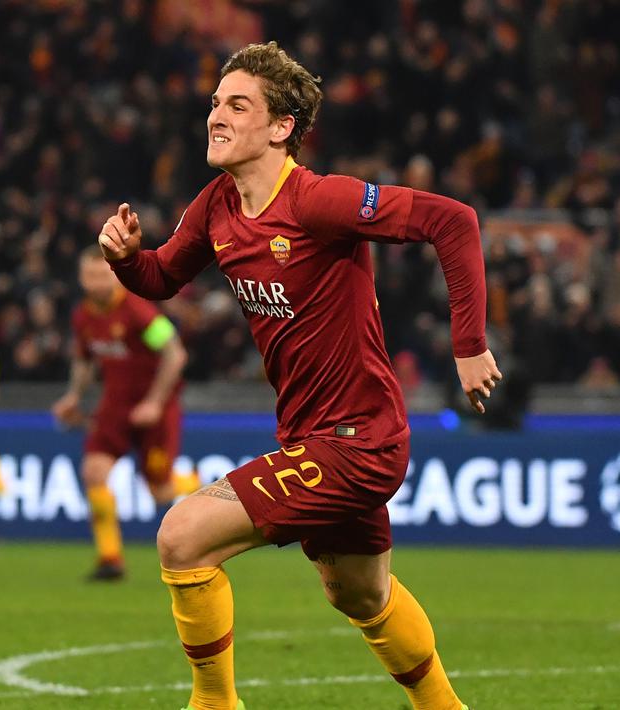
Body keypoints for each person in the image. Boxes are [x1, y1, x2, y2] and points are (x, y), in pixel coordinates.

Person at [96, 42, 501, 710]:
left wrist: (468, 344)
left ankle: (213, 705)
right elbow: (162, 277)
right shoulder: (217, 206)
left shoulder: (317, 202)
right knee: (358, 593)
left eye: (237, 105)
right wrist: (126, 260)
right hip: (309, 436)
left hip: (358, 440)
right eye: (214, 103)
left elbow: (450, 221)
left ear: (281, 128)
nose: (214, 117)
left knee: (181, 534)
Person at [52, 247, 200, 581]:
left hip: (155, 409)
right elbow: (84, 359)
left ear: (115, 275)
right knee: (93, 472)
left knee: (160, 492)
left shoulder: (137, 311)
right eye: (89, 276)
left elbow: (175, 355)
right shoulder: (83, 316)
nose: (95, 283)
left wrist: (154, 402)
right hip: (114, 406)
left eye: (101, 275)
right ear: (80, 278)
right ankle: (110, 559)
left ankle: (203, 486)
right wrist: (74, 396)